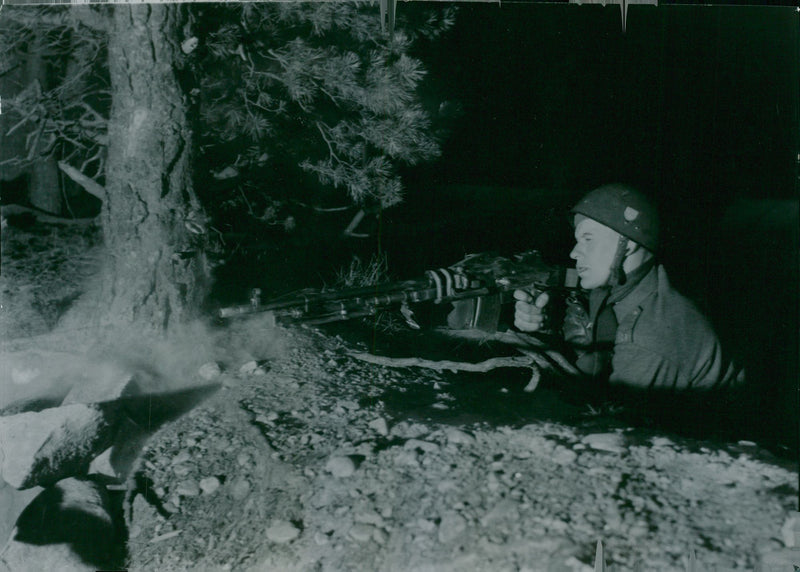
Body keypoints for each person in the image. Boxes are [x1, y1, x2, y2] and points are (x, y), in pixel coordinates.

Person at [514, 183, 742, 394]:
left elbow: (613, 426)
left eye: (588, 239)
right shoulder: (628, 291)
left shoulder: (650, 336)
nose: (574, 253)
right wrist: (544, 327)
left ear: (628, 244)